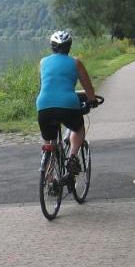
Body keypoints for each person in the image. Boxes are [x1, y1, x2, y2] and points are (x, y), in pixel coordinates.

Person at [36, 30, 97, 179]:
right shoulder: (75, 62)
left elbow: (45, 84)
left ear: (52, 46)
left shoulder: (43, 62)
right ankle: (72, 157)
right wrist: (91, 99)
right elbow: (88, 88)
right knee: (78, 128)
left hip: (44, 105)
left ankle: (49, 179)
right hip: (68, 104)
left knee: (48, 141)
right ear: (69, 47)